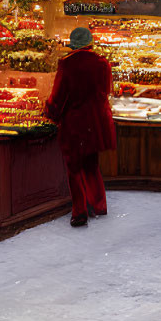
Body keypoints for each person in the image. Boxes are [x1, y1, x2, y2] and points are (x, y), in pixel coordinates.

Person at [45, 26, 115, 228]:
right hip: (97, 122)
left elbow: (58, 96)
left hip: (75, 123)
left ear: (73, 44)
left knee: (74, 167)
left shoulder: (68, 64)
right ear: (90, 42)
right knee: (92, 164)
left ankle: (80, 212)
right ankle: (99, 205)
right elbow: (105, 93)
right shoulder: (103, 63)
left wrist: (49, 112)